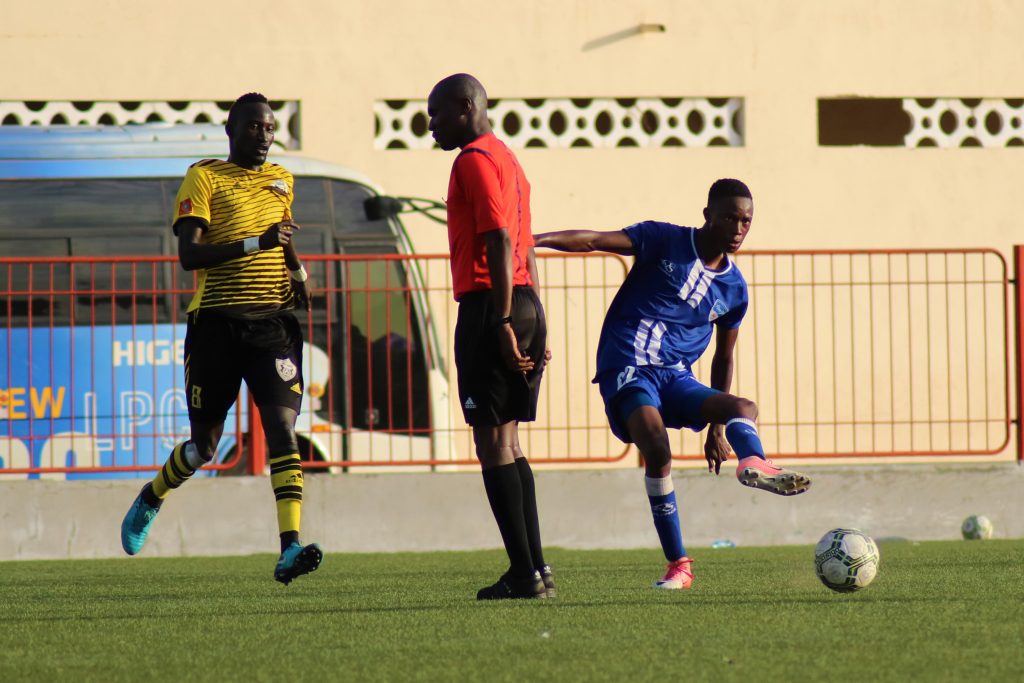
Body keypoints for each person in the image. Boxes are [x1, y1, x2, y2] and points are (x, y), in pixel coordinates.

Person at [534, 179, 811, 590]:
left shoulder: (734, 289)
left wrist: (717, 431)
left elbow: (724, 356)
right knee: (656, 443)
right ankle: (678, 562)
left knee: (743, 408)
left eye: (746, 221)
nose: (738, 228)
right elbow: (594, 240)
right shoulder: (663, 240)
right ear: (707, 216)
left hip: (676, 376)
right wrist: (533, 239)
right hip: (628, 364)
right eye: (730, 217)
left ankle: (753, 461)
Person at [120, 92, 323, 586]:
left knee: (282, 428)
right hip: (215, 324)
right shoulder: (204, 177)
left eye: (271, 128)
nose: (264, 135)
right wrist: (260, 243)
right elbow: (190, 256)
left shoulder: (282, 181)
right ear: (231, 130)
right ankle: (153, 495)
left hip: (271, 325)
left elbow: (282, 235)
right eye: (254, 127)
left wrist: (297, 270)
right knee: (204, 447)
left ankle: (289, 548)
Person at [427, 73, 553, 600]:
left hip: (489, 307)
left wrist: (501, 321)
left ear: (465, 106)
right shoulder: (508, 157)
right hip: (522, 299)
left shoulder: (473, 159)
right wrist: (533, 314)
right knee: (510, 442)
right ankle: (536, 570)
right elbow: (525, 245)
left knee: (492, 443)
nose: (431, 126)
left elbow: (500, 239)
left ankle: (525, 575)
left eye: (436, 115)